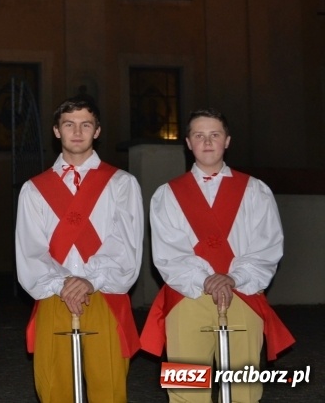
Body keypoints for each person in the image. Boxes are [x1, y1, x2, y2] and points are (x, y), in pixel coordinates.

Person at [140, 108, 295, 403]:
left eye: (215, 135)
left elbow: (267, 246)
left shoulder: (255, 191)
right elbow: (168, 251)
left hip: (243, 294)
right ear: (188, 143)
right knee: (186, 388)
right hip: (186, 296)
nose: (207, 142)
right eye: (199, 135)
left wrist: (233, 277)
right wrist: (207, 279)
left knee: (244, 388)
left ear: (227, 141)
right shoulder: (167, 194)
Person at [15, 96, 143, 403]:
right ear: (56, 131)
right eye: (69, 124)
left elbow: (126, 244)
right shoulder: (34, 189)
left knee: (108, 389)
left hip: (106, 294)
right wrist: (63, 284)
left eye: (86, 125)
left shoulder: (121, 184)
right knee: (54, 387)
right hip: (52, 295)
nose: (77, 131)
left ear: (97, 131)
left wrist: (89, 279)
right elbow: (30, 249)